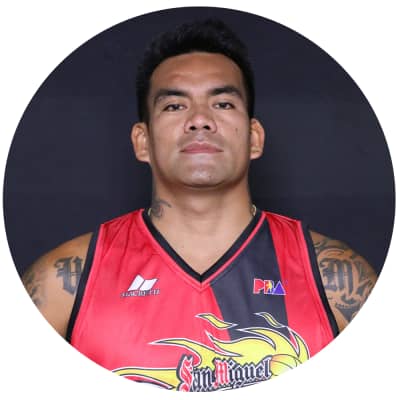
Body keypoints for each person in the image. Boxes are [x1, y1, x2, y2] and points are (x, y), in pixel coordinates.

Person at [22, 18, 377, 391]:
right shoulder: (65, 285)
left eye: (222, 103)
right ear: (142, 142)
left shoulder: (335, 280)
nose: (200, 120)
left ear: (254, 138)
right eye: (175, 105)